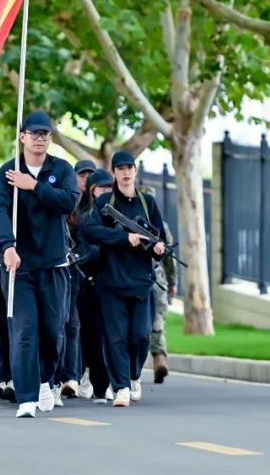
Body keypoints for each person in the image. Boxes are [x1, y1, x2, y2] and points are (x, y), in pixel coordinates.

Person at [0, 110, 78, 419]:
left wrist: (34, 186)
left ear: (50, 139)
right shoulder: (5, 173)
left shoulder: (62, 169)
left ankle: (45, 379)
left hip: (54, 264)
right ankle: (26, 396)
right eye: (34, 133)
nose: (40, 138)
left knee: (54, 332)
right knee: (24, 329)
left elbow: (68, 202)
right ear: (22, 136)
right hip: (18, 265)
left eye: (45, 134)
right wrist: (7, 247)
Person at [82, 151, 167, 408]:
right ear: (114, 173)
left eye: (130, 167)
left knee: (141, 336)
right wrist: (123, 238)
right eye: (121, 168)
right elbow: (90, 229)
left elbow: (159, 237)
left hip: (141, 282)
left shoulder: (147, 203)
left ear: (135, 171)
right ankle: (120, 388)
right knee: (115, 337)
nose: (126, 172)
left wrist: (158, 248)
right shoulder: (105, 202)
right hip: (111, 282)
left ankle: (133, 376)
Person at [56, 159, 99, 399]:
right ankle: (69, 376)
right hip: (68, 272)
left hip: (90, 274)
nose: (85, 180)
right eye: (81, 175)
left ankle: (85, 375)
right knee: (69, 324)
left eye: (89, 176)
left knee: (87, 328)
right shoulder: (66, 201)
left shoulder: (95, 209)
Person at [72, 168, 112, 403]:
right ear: (91, 191)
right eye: (101, 188)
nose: (105, 192)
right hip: (88, 285)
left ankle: (117, 381)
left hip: (114, 284)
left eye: (109, 187)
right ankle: (98, 382)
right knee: (92, 337)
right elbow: (81, 252)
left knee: (114, 336)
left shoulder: (118, 215)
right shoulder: (82, 217)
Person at [151, 223, 178, 384]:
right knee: (156, 321)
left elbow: (168, 252)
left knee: (157, 319)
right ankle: (158, 359)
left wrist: (172, 280)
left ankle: (159, 360)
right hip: (134, 276)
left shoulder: (160, 224)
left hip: (155, 276)